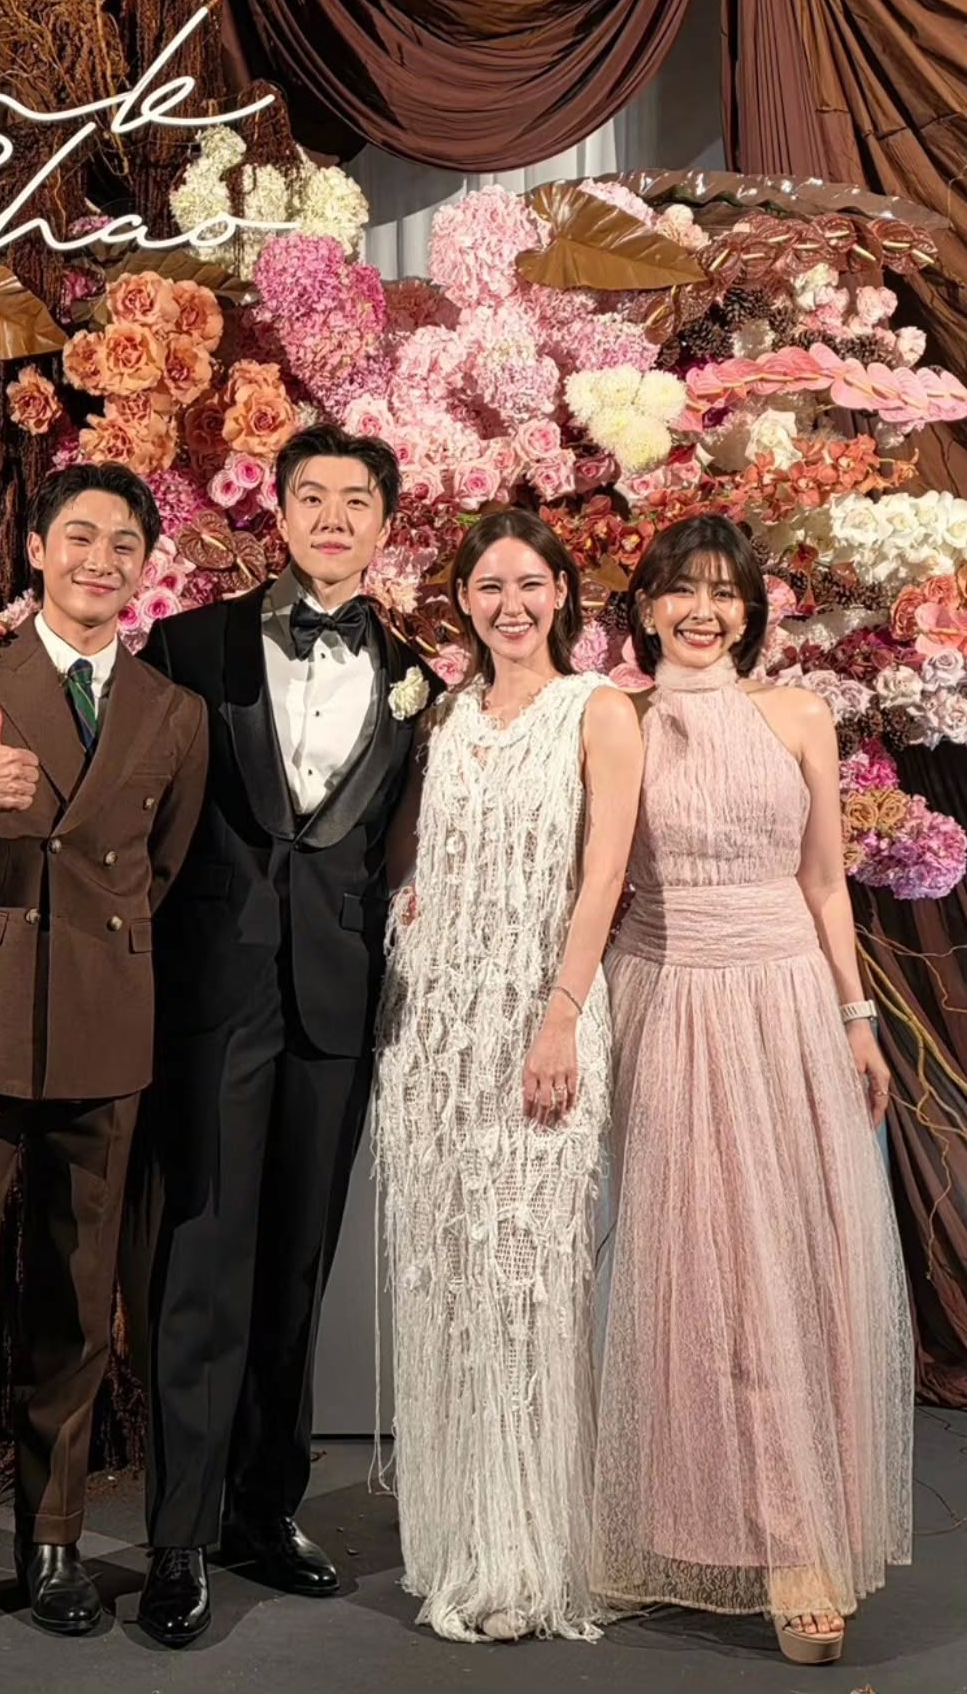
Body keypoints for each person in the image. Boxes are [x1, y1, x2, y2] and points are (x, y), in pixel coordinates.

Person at [0, 424, 440, 1648]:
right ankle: (179, 1538)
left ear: (386, 528)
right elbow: (92, 724)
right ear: (279, 514)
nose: (333, 519)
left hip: (336, 1001)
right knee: (199, 1265)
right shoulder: (190, 646)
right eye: (311, 497)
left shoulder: (418, 673)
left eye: (357, 502)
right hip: (210, 998)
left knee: (299, 1265)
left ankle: (266, 1510)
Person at [0, 465, 208, 1664]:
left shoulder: (173, 712)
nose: (99, 560)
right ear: (35, 548)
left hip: (103, 1035)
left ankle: (53, 1544)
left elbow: (162, 874)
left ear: (146, 567)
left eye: (124, 544)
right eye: (79, 537)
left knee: (76, 1313)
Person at [589, 514, 912, 1666]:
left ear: (752, 610)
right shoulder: (619, 718)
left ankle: (800, 1546)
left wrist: (857, 1019)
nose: (703, 611)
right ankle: (676, 1525)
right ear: (645, 607)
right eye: (681, 589)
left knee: (793, 1270)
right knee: (691, 1274)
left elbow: (825, 884)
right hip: (667, 1001)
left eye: (724, 592)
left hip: (785, 1005)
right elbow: (595, 878)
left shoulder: (800, 715)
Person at [374, 507, 643, 1644]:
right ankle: (463, 1541)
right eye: (489, 586)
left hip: (541, 1023)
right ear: (464, 603)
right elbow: (409, 858)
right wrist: (407, 917)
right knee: (447, 1281)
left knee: (525, 1283)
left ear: (563, 593)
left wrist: (560, 1017)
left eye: (530, 583)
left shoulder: (599, 709)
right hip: (436, 1036)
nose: (511, 604)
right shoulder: (442, 716)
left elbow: (604, 874)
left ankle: (530, 1554)